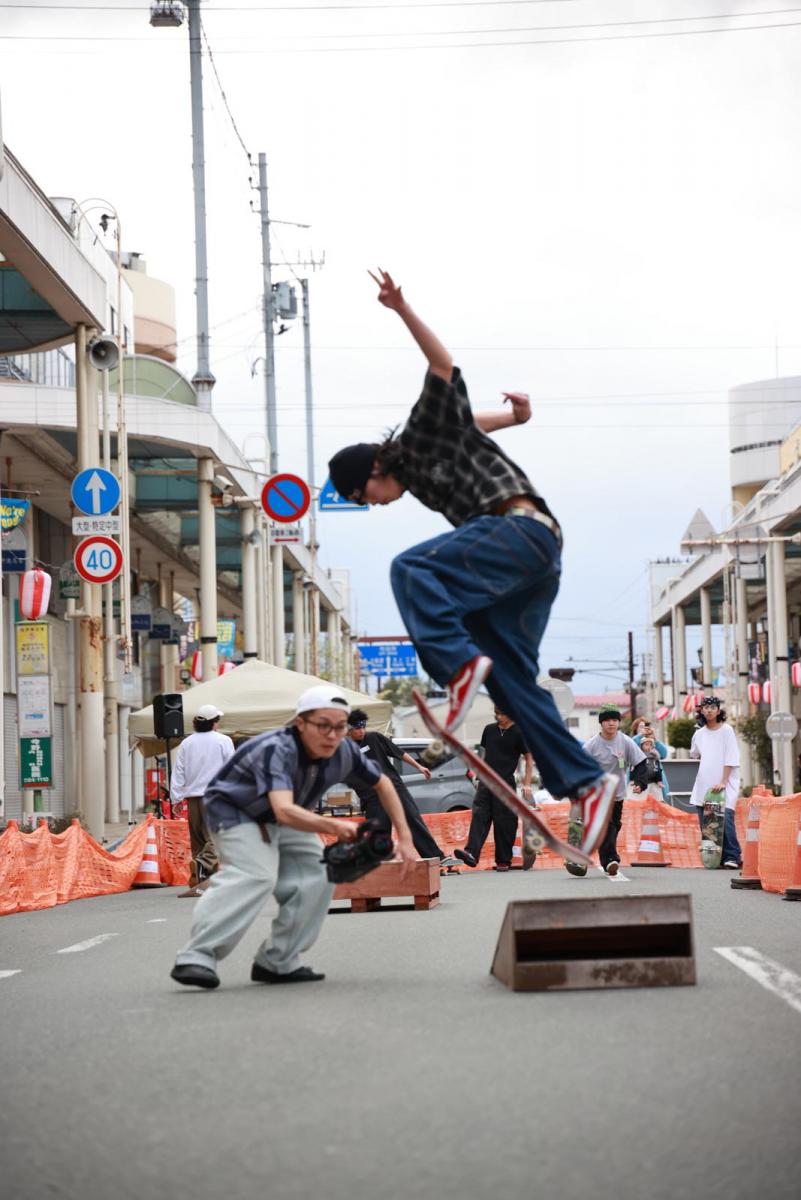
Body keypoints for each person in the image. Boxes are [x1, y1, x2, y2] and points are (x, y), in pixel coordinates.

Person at [328, 269, 617, 860]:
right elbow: (471, 427)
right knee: (513, 681)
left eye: (366, 498)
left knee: (411, 569)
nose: (376, 506)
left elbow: (442, 366)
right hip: (533, 559)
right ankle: (587, 785)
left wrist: (401, 307)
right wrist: (514, 420)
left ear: (372, 474)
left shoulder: (413, 437)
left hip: (517, 532)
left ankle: (458, 670)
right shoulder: (431, 454)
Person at [170, 685, 416, 990]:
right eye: (323, 725)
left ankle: (278, 960)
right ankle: (197, 956)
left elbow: (384, 784)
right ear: (300, 723)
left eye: (340, 726)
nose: (332, 735)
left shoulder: (345, 749)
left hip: (288, 813)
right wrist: (338, 829)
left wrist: (405, 839)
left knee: (320, 874)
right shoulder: (278, 748)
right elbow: (283, 810)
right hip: (237, 811)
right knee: (257, 874)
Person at [343, 709, 459, 868]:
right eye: (357, 728)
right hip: (373, 796)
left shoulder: (375, 737)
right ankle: (377, 864)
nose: (361, 731)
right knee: (378, 830)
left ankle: (435, 855)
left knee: (412, 818)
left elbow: (399, 753)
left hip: (394, 788)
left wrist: (419, 766)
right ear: (349, 729)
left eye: (363, 726)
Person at [455, 707, 534, 871]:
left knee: (504, 822)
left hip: (505, 784)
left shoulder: (519, 732)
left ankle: (503, 860)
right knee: (479, 815)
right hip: (486, 781)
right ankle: (471, 854)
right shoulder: (489, 729)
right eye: (496, 714)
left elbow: (528, 757)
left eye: (502, 713)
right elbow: (486, 752)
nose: (498, 717)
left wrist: (527, 784)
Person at [169, 703, 235, 896]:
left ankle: (205, 882)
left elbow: (178, 772)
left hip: (193, 798)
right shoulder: (223, 740)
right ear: (214, 722)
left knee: (199, 841)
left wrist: (176, 799)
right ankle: (202, 866)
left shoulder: (187, 743)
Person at [580, 703, 647, 876]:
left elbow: (640, 761)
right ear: (601, 723)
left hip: (617, 793)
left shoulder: (625, 742)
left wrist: (639, 781)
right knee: (607, 825)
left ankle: (595, 847)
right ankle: (610, 860)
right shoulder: (591, 745)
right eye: (608, 720)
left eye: (615, 720)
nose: (612, 724)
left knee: (615, 825)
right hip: (597, 793)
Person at [689, 695, 743, 869]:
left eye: (713, 707)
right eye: (706, 707)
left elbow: (731, 756)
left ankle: (733, 856)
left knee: (725, 817)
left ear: (718, 710)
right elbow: (695, 753)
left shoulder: (726, 730)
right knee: (707, 823)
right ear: (701, 711)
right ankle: (714, 858)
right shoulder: (699, 734)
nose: (709, 710)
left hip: (725, 782)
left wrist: (724, 780)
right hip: (705, 782)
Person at [631, 720, 671, 803]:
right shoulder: (634, 740)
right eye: (641, 727)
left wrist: (655, 739)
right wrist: (640, 736)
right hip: (638, 782)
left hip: (654, 781)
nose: (644, 729)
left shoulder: (652, 743)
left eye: (647, 727)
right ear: (636, 729)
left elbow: (664, 754)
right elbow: (631, 748)